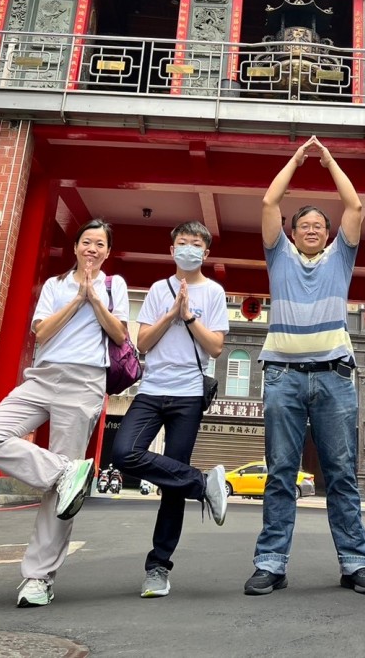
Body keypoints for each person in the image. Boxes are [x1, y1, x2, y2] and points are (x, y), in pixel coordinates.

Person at [244, 136, 365, 597]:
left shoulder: (341, 257)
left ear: (328, 233)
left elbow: (355, 206)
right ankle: (270, 563)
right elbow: (269, 202)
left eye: (319, 225)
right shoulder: (278, 255)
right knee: (280, 471)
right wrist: (296, 159)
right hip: (282, 375)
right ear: (292, 232)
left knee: (341, 471)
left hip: (334, 374)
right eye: (303, 224)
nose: (311, 230)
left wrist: (329, 161)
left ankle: (355, 563)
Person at [0, 218, 130, 607]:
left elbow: (120, 334)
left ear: (107, 252)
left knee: (59, 498)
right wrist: (76, 299)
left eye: (100, 244)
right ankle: (64, 473)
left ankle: (38, 577)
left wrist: (94, 298)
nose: (92, 249)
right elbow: (40, 332)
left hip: (84, 382)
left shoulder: (115, 286)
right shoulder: (55, 286)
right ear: (75, 247)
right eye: (87, 242)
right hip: (41, 378)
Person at [112, 221, 229, 599]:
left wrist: (189, 316)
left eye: (196, 244)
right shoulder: (157, 289)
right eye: (182, 243)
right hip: (151, 390)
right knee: (123, 452)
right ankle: (202, 483)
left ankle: (158, 567)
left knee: (171, 486)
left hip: (188, 395)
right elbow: (143, 342)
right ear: (172, 249)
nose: (188, 249)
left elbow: (215, 347)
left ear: (205, 253)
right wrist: (171, 313)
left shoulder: (214, 292)